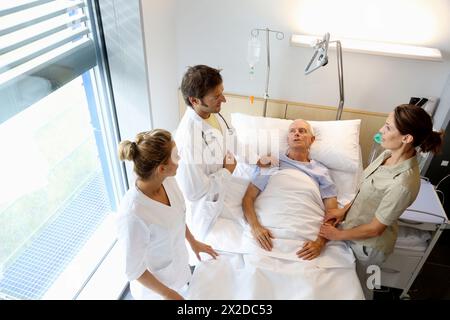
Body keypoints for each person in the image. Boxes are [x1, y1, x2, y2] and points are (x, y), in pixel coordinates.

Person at [319, 104, 444, 299]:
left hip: (370, 251)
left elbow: (375, 229)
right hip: (353, 229)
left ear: (406, 138)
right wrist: (343, 211)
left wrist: (336, 234)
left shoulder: (402, 183)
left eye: (387, 127)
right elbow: (365, 191)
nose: (380, 130)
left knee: (365, 291)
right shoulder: (386, 155)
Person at [175, 65, 275, 241]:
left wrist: (256, 159)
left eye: (222, 92)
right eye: (216, 96)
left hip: (224, 189)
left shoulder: (212, 113)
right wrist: (227, 171)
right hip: (208, 209)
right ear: (194, 101)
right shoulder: (188, 140)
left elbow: (232, 139)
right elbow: (193, 192)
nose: (224, 99)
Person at [116, 129, 218, 300]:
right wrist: (168, 293)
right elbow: (133, 270)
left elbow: (176, 216)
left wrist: (193, 242)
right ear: (162, 168)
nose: (180, 160)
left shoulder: (168, 181)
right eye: (176, 156)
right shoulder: (132, 215)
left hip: (178, 275)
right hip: (156, 292)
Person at [242, 119, 339, 260]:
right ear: (288, 139)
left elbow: (332, 213)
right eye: (292, 131)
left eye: (302, 131)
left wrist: (320, 242)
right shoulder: (272, 161)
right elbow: (248, 198)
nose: (296, 134)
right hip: (269, 229)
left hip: (305, 235)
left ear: (312, 140)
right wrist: (256, 227)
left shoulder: (321, 171)